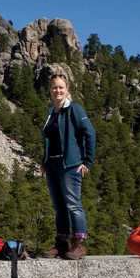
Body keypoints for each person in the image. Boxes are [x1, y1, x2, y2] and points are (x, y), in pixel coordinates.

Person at [41, 72, 96, 260]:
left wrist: (87, 161)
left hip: (70, 165)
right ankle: (62, 244)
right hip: (53, 165)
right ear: (50, 90)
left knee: (73, 205)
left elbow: (90, 133)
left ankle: (78, 244)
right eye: (54, 87)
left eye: (61, 87)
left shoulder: (74, 109)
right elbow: (49, 140)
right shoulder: (51, 112)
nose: (57, 90)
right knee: (59, 206)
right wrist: (44, 162)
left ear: (67, 89)